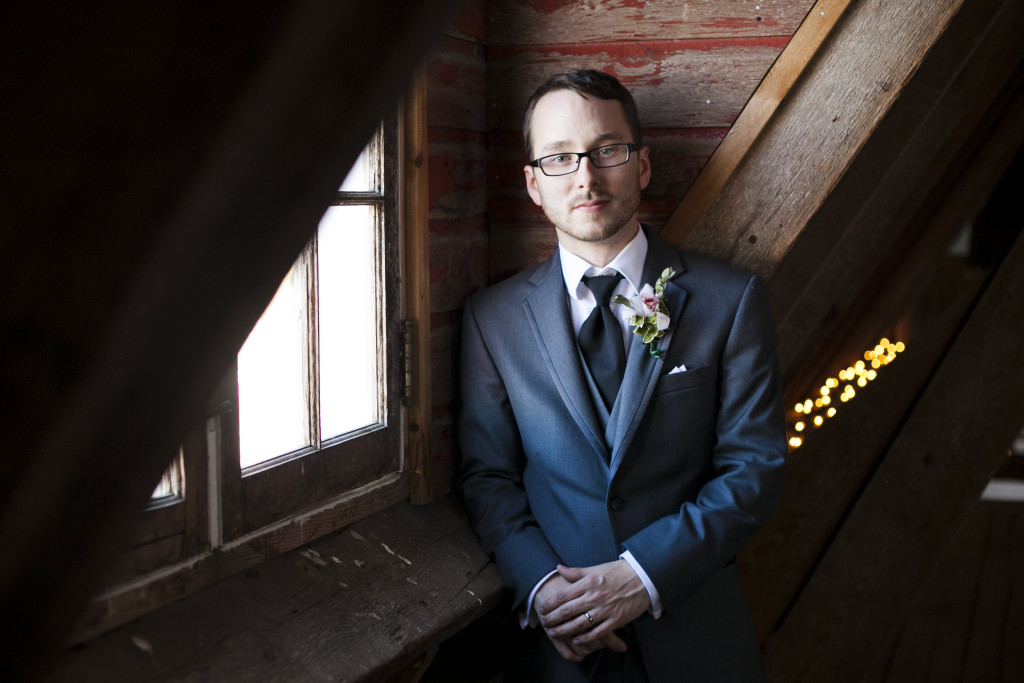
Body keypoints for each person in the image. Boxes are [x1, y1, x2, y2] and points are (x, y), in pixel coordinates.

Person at [457, 69, 787, 682]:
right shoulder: (490, 319)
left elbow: (755, 470)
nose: (585, 176)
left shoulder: (731, 299)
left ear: (641, 166)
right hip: (561, 652)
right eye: (559, 158)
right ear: (533, 183)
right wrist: (542, 589)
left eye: (606, 150)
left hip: (698, 644)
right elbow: (489, 477)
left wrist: (642, 577)